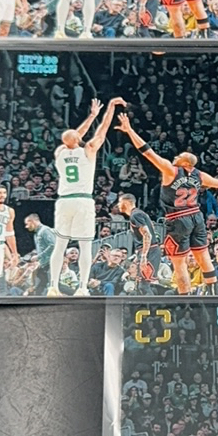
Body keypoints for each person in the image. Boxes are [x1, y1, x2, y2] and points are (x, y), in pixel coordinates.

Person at [114, 112, 218, 295]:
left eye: (180, 156)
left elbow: (147, 151)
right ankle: (212, 293)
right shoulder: (199, 175)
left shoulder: (171, 170)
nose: (176, 157)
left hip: (178, 219)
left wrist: (129, 130)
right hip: (196, 217)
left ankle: (186, 299)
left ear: (187, 164)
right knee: (203, 256)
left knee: (179, 262)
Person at [46, 96, 127, 296]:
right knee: (85, 245)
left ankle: (53, 286)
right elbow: (102, 130)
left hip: (64, 200)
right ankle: (82, 288)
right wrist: (109, 108)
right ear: (77, 140)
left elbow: (73, 137)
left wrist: (91, 116)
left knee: (60, 246)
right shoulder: (88, 150)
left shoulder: (60, 152)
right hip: (82, 200)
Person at [115, 193, 158, 292]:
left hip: (150, 251)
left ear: (127, 202)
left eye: (120, 202)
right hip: (148, 250)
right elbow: (152, 227)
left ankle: (153, 303)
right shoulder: (139, 213)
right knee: (140, 286)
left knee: (144, 286)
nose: (118, 205)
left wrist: (144, 255)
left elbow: (147, 234)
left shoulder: (136, 215)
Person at [22, 212, 56, 294]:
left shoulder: (45, 230)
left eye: (27, 224)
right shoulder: (36, 234)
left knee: (50, 286)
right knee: (39, 287)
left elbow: (53, 245)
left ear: (32, 221)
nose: (26, 227)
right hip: (43, 264)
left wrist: (39, 256)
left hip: (50, 264)